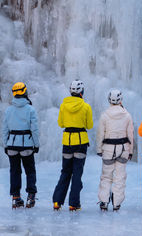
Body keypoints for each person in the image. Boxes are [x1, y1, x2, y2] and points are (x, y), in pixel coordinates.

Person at [52, 79, 93, 211]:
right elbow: (89, 125)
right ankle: (74, 203)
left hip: (67, 142)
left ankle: (57, 201)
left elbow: (61, 124)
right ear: (82, 92)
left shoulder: (64, 105)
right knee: (77, 174)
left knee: (65, 172)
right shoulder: (86, 106)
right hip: (80, 142)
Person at [1, 81, 40, 209]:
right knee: (30, 171)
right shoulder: (30, 109)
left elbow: (5, 129)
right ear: (25, 92)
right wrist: (36, 144)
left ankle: (16, 197)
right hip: (27, 145)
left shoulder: (9, 110)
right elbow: (34, 129)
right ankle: (31, 196)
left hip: (12, 144)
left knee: (15, 171)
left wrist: (6, 144)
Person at [95, 87, 134, 211]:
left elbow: (100, 133)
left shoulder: (105, 115)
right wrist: (131, 151)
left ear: (109, 100)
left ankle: (104, 202)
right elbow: (130, 134)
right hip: (123, 148)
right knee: (120, 176)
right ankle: (117, 202)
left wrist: (99, 149)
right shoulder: (127, 115)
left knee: (106, 176)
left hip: (108, 149)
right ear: (121, 100)